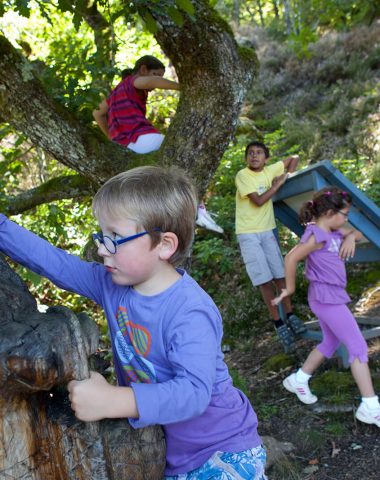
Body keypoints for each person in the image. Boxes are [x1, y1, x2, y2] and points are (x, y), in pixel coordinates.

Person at [0, 166, 267, 478]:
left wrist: (113, 400)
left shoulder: (189, 311)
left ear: (165, 245)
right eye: (102, 235)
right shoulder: (112, 285)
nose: (101, 248)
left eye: (115, 237)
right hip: (168, 452)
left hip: (222, 450)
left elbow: (194, 392)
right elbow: (56, 263)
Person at [272, 187, 380, 427]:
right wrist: (289, 289)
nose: (346, 218)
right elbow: (291, 258)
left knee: (330, 342)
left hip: (331, 296)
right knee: (358, 346)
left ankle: (299, 380)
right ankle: (370, 405)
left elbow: (358, 233)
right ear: (330, 212)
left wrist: (350, 236)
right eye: (345, 214)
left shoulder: (333, 230)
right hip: (325, 298)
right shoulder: (316, 236)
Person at [93, 54, 223, 234]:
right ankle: (198, 209)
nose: (157, 82)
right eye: (156, 75)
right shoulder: (134, 81)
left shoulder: (116, 92)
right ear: (144, 69)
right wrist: (184, 87)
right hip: (143, 138)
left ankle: (174, 214)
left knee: (159, 180)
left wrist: (111, 138)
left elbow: (97, 113)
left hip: (125, 147)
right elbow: (146, 82)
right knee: (186, 158)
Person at [235, 141, 306, 353]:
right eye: (250, 153)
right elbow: (258, 201)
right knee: (263, 279)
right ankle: (278, 322)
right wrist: (277, 184)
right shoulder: (243, 175)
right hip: (248, 233)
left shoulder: (270, 169)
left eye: (259, 153)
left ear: (266, 158)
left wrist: (287, 174)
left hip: (267, 231)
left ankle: (290, 314)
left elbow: (294, 157)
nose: (254, 156)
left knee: (279, 275)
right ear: (246, 158)